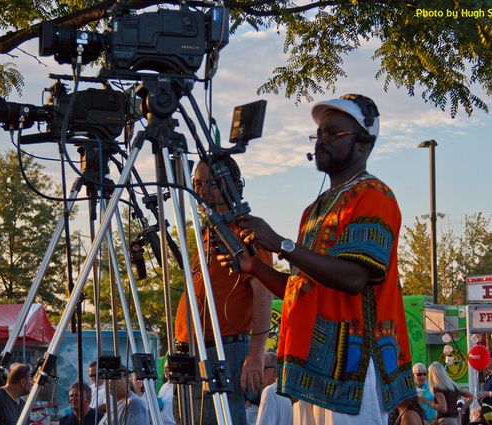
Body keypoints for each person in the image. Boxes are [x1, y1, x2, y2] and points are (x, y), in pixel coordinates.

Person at [219, 94, 416, 423]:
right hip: (313, 369)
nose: (322, 139)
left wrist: (282, 244)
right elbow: (303, 289)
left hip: (351, 370)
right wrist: (256, 269)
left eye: (334, 133)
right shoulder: (314, 210)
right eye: (320, 134)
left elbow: (353, 278)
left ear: (364, 143)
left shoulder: (373, 196)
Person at [174, 155, 273, 425]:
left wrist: (255, 356)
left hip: (223, 351)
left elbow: (264, 292)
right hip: (192, 353)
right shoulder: (207, 235)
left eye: (210, 183)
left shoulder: (244, 231)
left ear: (231, 185)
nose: (201, 190)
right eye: (196, 183)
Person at [255, 352, 292, 425]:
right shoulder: (288, 390)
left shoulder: (270, 391)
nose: (258, 372)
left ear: (275, 371)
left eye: (263, 367)